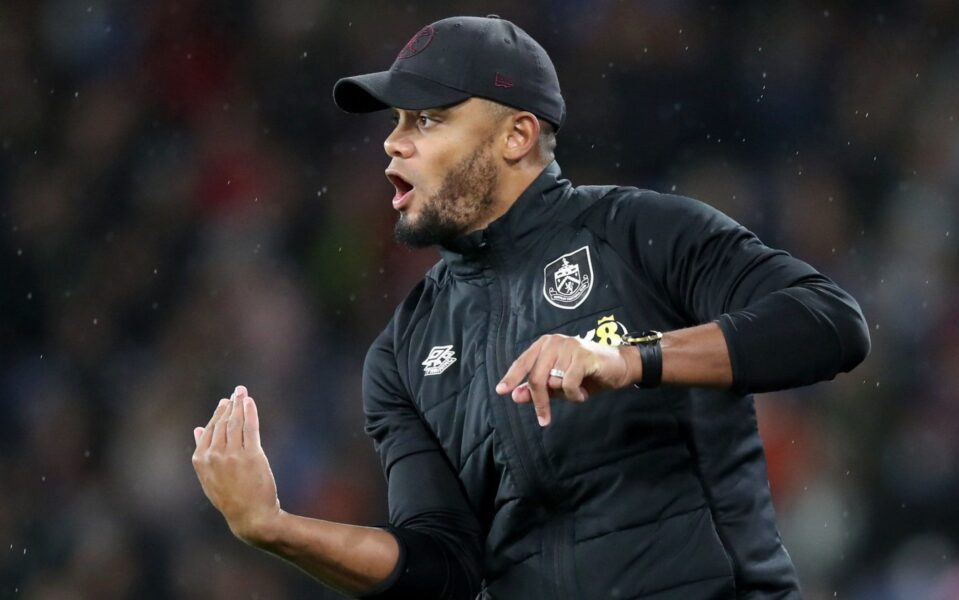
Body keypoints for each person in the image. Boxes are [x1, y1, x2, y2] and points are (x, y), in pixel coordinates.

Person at [191, 15, 870, 599]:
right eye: (395, 121)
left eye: (427, 118)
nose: (393, 141)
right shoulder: (402, 352)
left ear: (516, 135)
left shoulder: (639, 232)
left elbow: (829, 322)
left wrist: (631, 360)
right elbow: (443, 569)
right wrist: (275, 528)